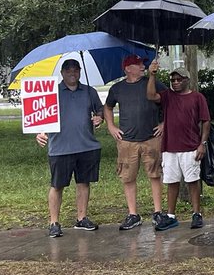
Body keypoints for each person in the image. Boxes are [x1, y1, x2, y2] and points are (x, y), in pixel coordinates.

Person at [36, 59, 104, 237]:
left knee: (83, 183)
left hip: (86, 145)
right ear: (62, 72)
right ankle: (54, 222)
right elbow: (39, 115)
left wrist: (99, 118)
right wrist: (40, 132)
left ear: (80, 71)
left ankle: (81, 218)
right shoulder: (51, 92)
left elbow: (100, 110)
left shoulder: (90, 92)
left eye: (75, 69)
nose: (72, 73)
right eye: (68, 70)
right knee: (57, 185)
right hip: (60, 147)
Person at [102, 54, 164, 232]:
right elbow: (107, 107)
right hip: (127, 141)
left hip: (151, 138)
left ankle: (158, 212)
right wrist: (111, 126)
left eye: (142, 64)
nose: (142, 66)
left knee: (154, 174)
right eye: (138, 64)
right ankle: (133, 214)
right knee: (128, 177)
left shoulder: (152, 83)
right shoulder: (117, 89)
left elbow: (168, 102)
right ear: (128, 69)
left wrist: (164, 124)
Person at [146, 61, 210, 229]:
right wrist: (152, 75)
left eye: (179, 79)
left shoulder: (197, 97)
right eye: (173, 79)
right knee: (171, 181)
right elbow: (151, 96)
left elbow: (206, 121)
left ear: (187, 80)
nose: (175, 82)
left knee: (192, 180)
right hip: (169, 147)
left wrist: (202, 143)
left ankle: (197, 213)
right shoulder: (167, 96)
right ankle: (171, 215)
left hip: (190, 146)